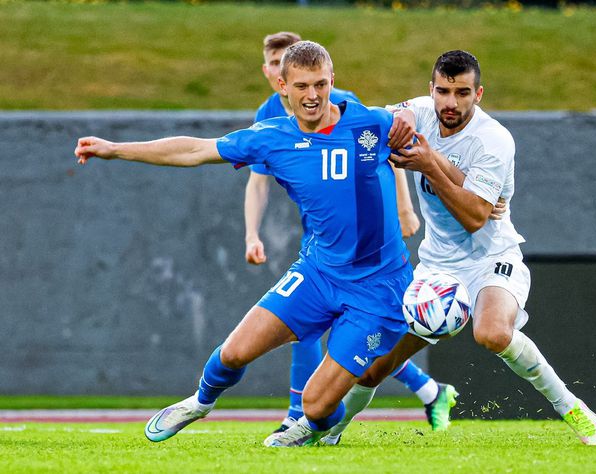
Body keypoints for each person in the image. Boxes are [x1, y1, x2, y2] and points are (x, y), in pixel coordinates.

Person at [75, 41, 424, 447]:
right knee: (233, 353)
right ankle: (199, 403)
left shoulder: (372, 125)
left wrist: (410, 112)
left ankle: (316, 425)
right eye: (302, 86)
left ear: (333, 81)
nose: (312, 96)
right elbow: (194, 150)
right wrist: (116, 149)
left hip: (378, 287)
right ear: (282, 85)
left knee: (315, 405)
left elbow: (431, 113)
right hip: (317, 273)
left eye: (321, 84)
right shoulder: (271, 137)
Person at [279, 50, 596, 447]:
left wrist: (430, 163)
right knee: (370, 369)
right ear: (430, 90)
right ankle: (325, 431)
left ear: (479, 93)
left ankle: (576, 410)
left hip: (491, 259)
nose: (451, 103)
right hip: (435, 269)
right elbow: (377, 123)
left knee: (492, 332)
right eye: (443, 91)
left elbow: (475, 217)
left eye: (462, 93)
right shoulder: (417, 111)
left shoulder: (494, 140)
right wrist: (390, 122)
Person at [246, 32, 456, 438]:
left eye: (281, 62)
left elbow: (383, 151)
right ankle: (428, 391)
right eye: (272, 64)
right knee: (321, 329)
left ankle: (299, 416)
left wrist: (405, 208)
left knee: (326, 331)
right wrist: (251, 233)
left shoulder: (339, 102)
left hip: (363, 245)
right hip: (320, 241)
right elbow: (258, 179)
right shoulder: (268, 115)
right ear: (274, 75)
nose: (277, 71)